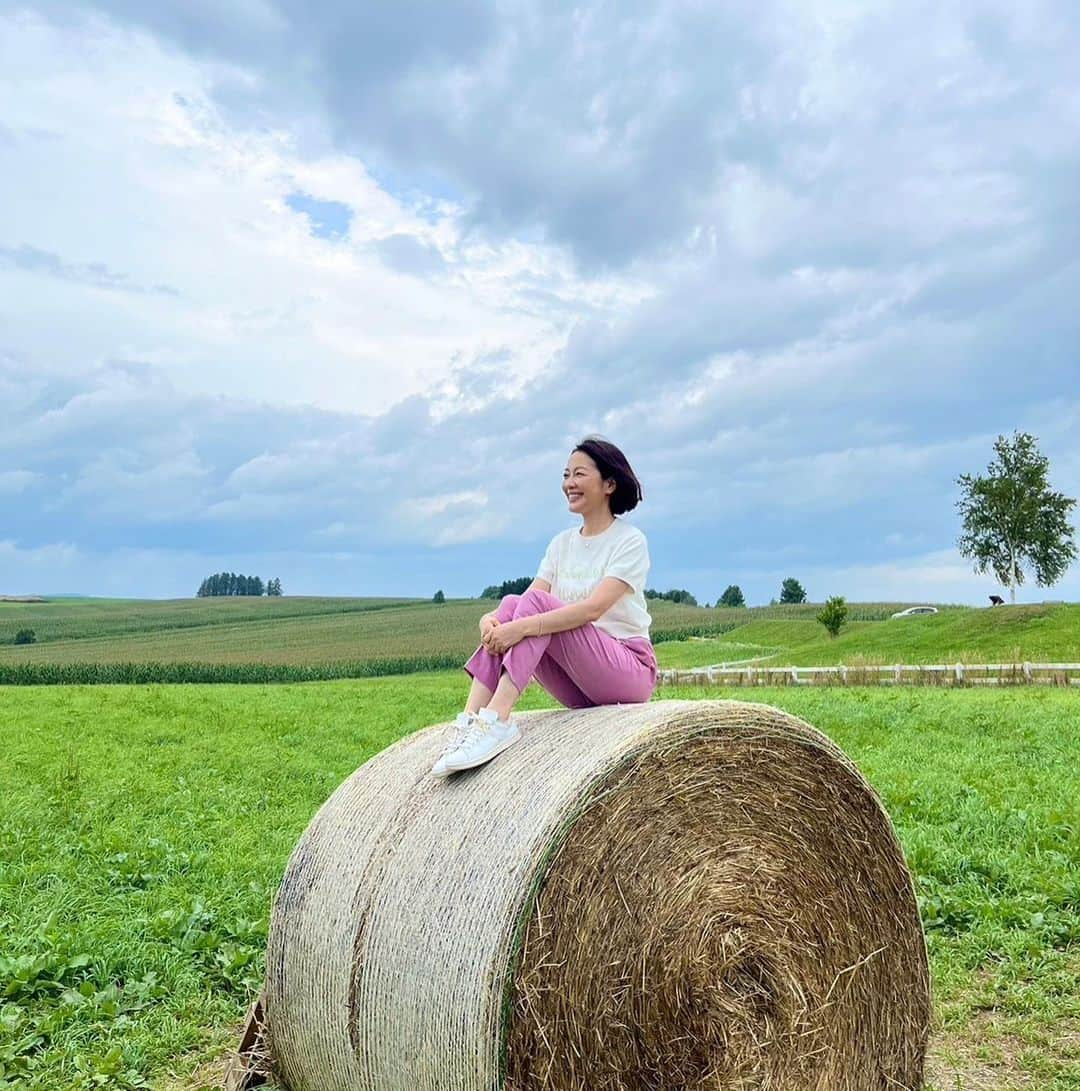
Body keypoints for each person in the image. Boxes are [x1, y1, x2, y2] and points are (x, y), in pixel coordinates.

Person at [432, 436, 657, 778]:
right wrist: (491, 620)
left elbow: (591, 610)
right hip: (579, 684)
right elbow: (525, 601)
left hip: (627, 671)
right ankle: (471, 721)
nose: (569, 483)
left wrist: (519, 627)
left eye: (579, 474)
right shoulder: (560, 544)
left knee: (531, 608)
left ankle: (498, 719)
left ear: (609, 483)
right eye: (566, 475)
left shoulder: (629, 541)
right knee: (512, 603)